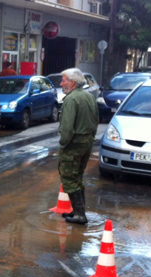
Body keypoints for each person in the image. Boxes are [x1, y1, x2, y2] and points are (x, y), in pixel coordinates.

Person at [57, 68, 99, 224]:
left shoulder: (71, 99)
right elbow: (96, 121)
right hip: (86, 143)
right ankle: (78, 211)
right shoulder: (89, 97)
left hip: (73, 145)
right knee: (78, 177)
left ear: (72, 83)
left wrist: (63, 144)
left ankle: (80, 215)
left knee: (69, 178)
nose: (61, 84)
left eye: (63, 80)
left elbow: (67, 128)